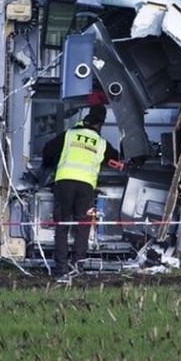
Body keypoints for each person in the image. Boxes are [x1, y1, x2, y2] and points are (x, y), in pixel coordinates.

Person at [42, 104, 120, 276]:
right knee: (82, 226)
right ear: (100, 124)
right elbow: (117, 158)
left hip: (64, 182)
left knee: (62, 225)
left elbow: (47, 149)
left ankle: (61, 267)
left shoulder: (69, 135)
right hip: (85, 186)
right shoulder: (101, 144)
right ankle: (78, 266)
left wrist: (50, 164)